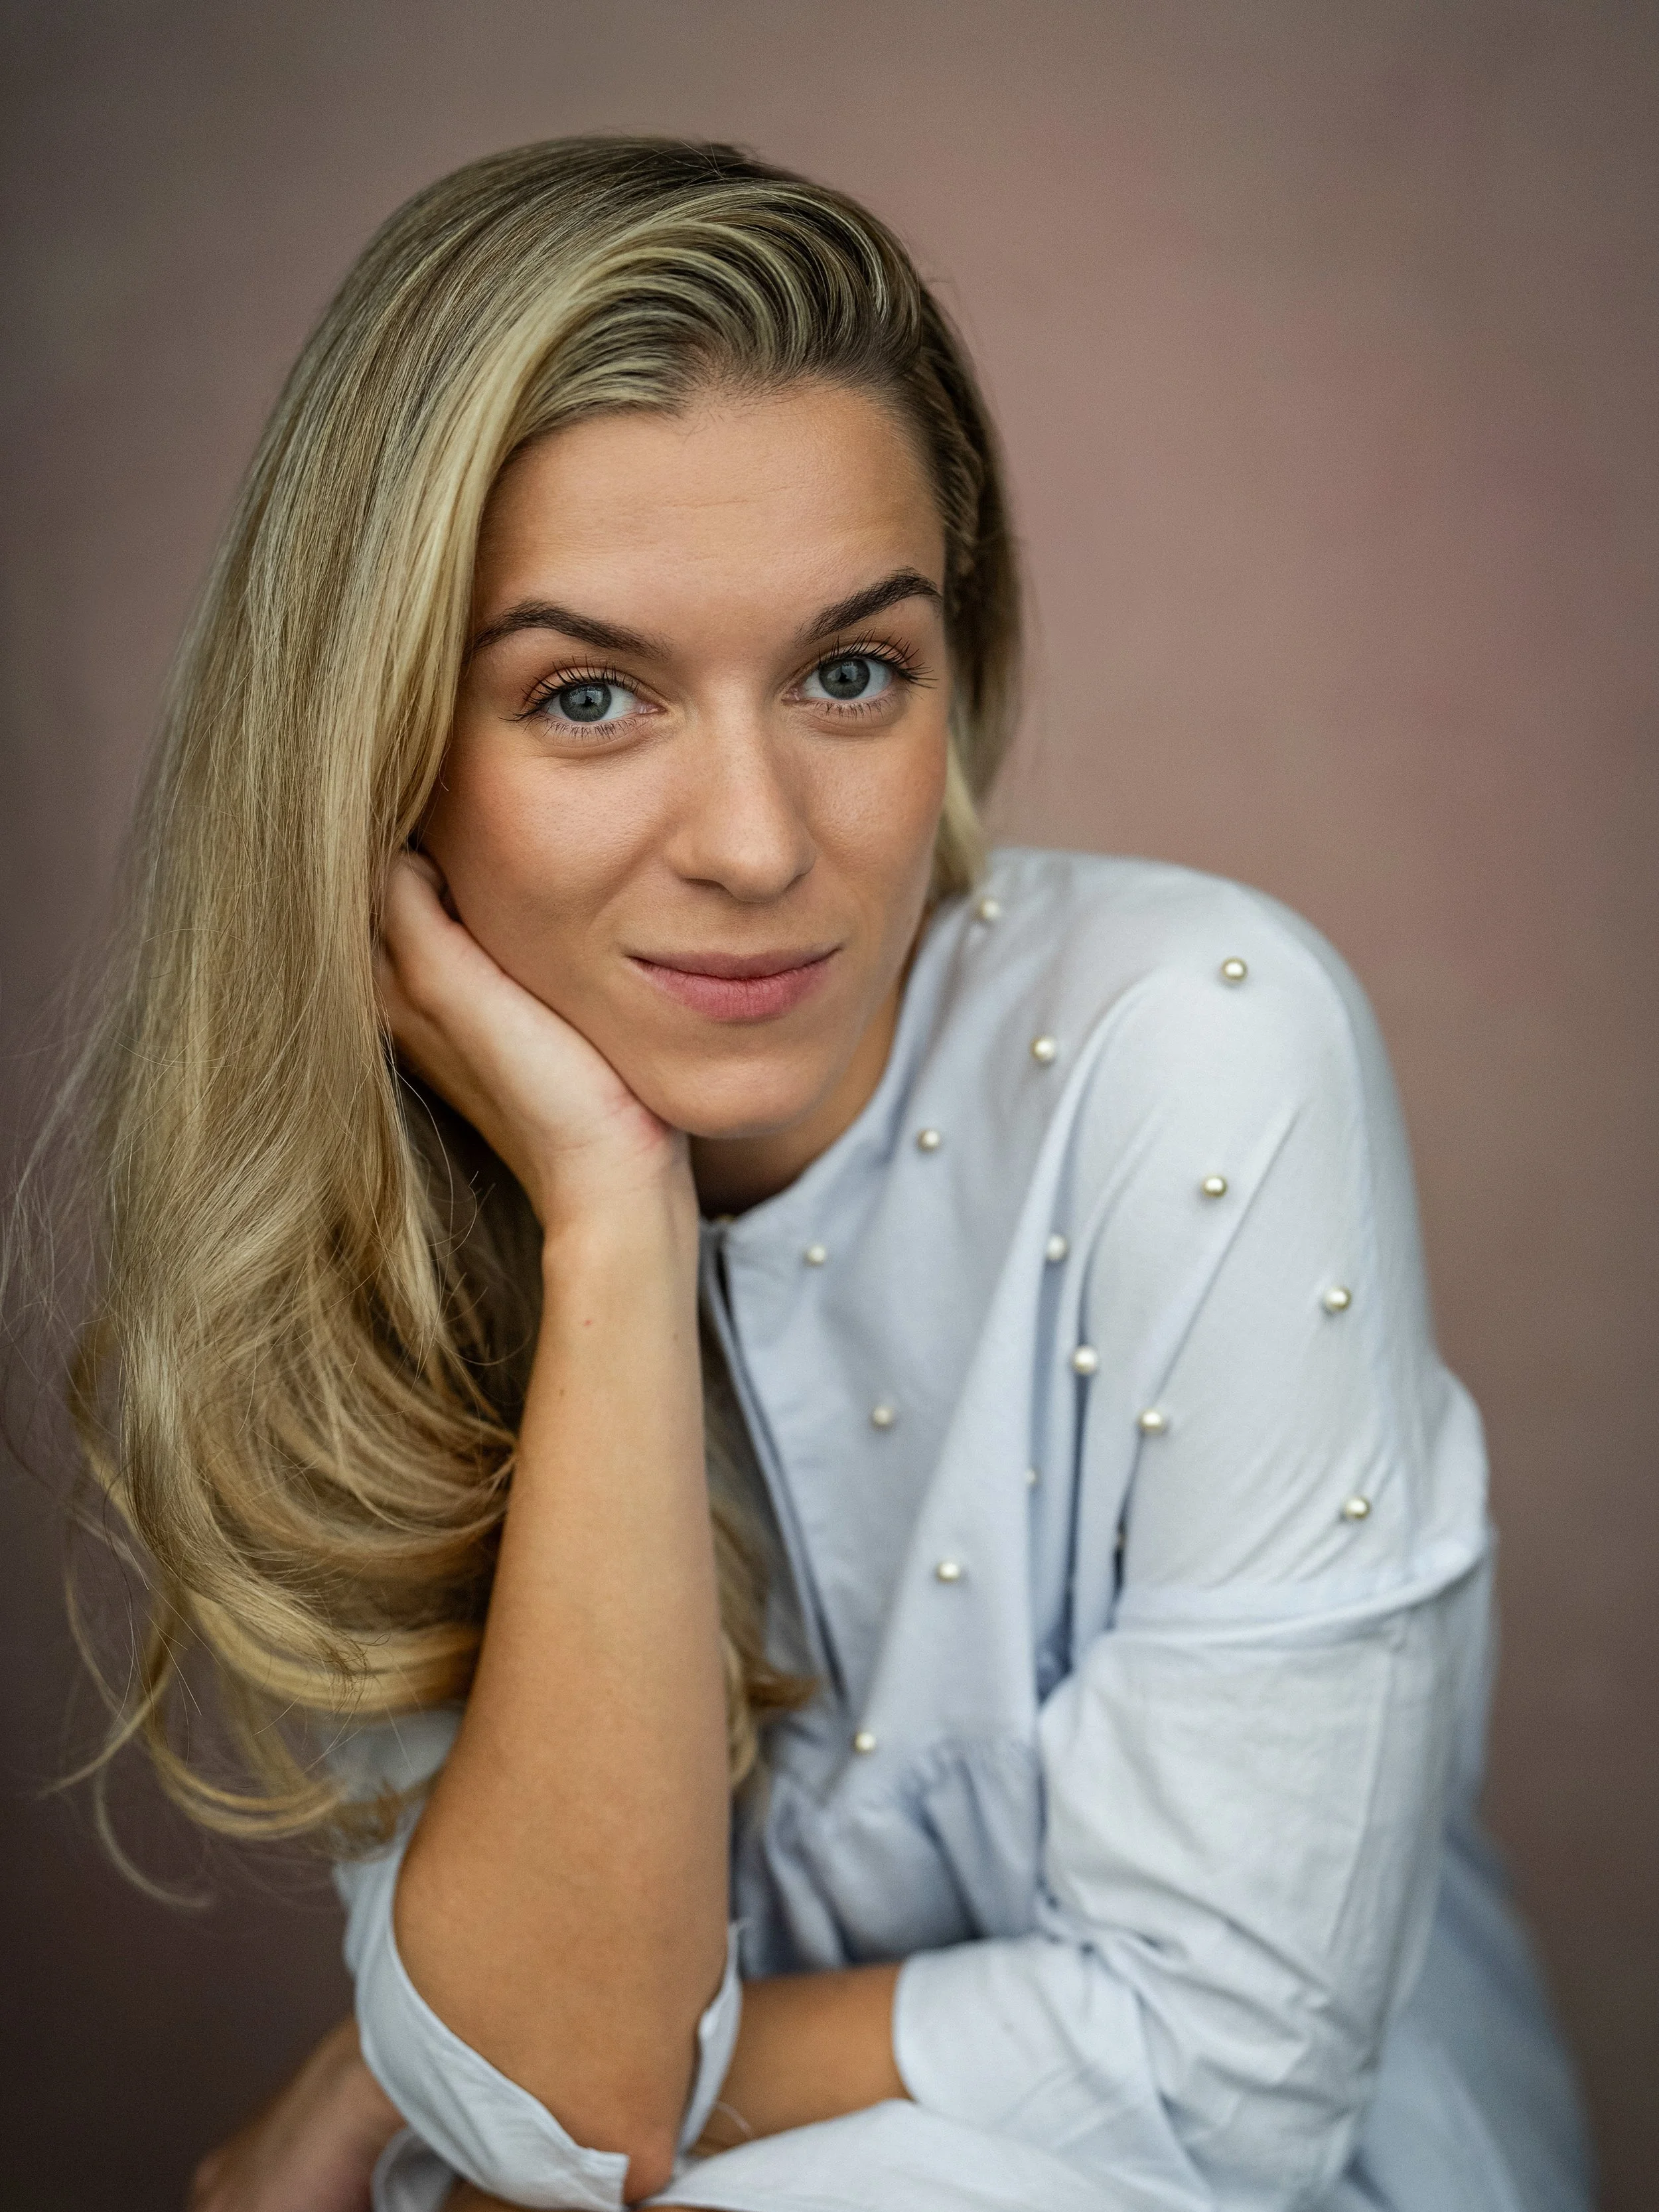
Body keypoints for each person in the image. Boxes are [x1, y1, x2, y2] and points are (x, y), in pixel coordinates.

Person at [56, 139, 1589, 2212]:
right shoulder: (387, 1231)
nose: (761, 842)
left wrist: (388, 2072)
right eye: (587, 696)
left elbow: (1219, 2081)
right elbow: (563, 2087)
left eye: (848, 670)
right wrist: (610, 1223)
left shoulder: (1200, 1042)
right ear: (376, 742)